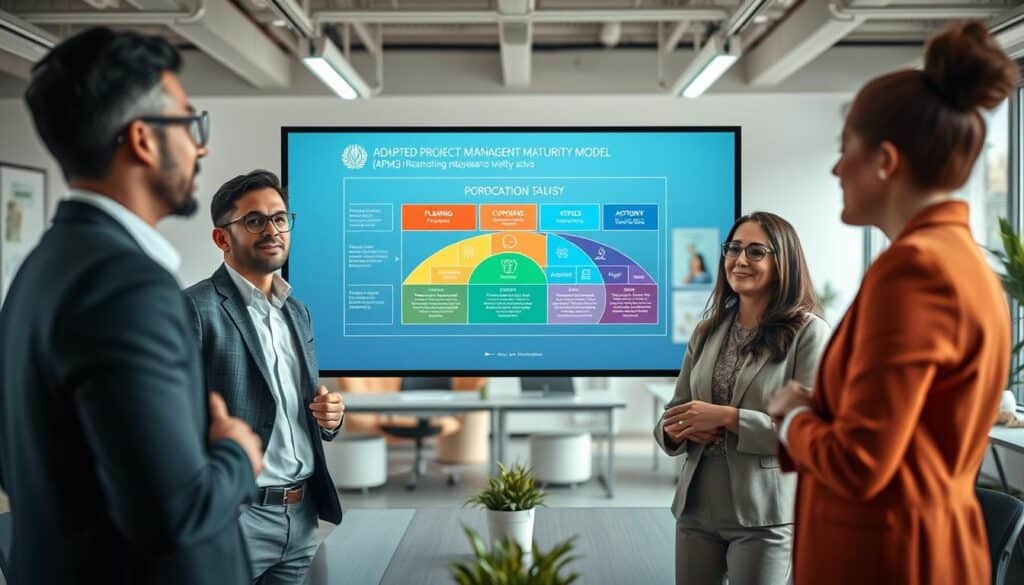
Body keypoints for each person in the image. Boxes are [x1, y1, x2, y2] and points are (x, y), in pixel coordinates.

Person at [0, 28, 263, 584]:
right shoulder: (124, 288)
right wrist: (237, 453)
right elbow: (172, 514)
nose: (202, 146)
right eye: (192, 125)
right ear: (143, 140)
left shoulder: (44, 268)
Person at [766, 21, 1016, 585]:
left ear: (884, 160)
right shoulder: (962, 260)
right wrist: (826, 406)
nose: (835, 169)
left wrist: (793, 416)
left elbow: (861, 463)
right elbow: (912, 429)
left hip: (888, 557)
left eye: (843, 150)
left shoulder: (915, 269)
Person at [185, 170, 345, 583]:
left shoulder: (297, 310)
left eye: (279, 218)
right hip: (234, 516)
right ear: (222, 238)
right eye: (254, 220)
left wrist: (330, 416)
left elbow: (297, 404)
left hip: (302, 513)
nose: (272, 229)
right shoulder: (194, 310)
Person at [655, 212, 829, 585]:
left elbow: (813, 433)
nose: (740, 260)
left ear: (783, 262)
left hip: (764, 515)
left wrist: (728, 418)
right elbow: (674, 411)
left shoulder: (809, 333)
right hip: (696, 509)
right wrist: (677, 430)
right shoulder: (707, 330)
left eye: (756, 251)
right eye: (733, 249)